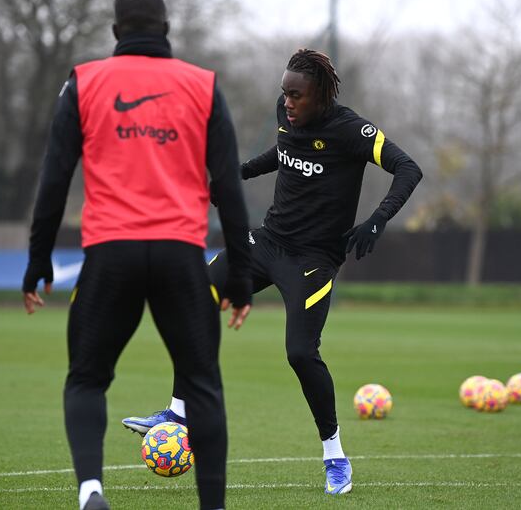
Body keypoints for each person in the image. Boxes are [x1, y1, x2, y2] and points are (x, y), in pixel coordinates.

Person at [123, 49, 422, 495]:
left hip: (313, 261)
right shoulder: (290, 119)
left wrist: (376, 219)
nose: (287, 102)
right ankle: (177, 411)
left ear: (318, 95)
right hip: (266, 243)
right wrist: (237, 174)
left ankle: (335, 455)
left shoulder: (350, 129)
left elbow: (408, 168)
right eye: (284, 93)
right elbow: (282, 152)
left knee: (301, 353)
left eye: (295, 95)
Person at [21, 0, 253, 510]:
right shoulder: (204, 86)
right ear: (167, 30)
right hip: (180, 256)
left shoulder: (83, 83)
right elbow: (230, 191)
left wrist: (37, 260)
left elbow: (54, 180)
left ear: (115, 32)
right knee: (202, 386)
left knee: (86, 379)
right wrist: (240, 276)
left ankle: (91, 492)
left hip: (110, 255)